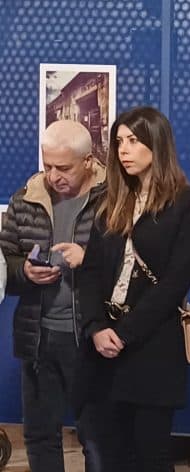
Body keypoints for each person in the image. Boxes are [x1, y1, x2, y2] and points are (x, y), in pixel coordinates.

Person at [77, 107, 190, 471]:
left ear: (156, 144)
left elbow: (176, 281)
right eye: (119, 142)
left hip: (151, 345)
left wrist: (125, 333)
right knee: (108, 452)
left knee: (151, 453)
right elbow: (90, 271)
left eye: (133, 141)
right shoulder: (110, 199)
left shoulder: (186, 202)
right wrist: (96, 327)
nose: (124, 150)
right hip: (103, 345)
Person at [0, 120, 106, 472]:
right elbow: (5, 259)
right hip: (38, 336)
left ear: (88, 161)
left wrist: (87, 260)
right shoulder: (26, 198)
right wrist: (24, 272)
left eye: (63, 167)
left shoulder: (114, 200)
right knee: (39, 434)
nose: (53, 175)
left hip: (91, 337)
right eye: (47, 165)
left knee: (97, 436)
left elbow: (131, 265)